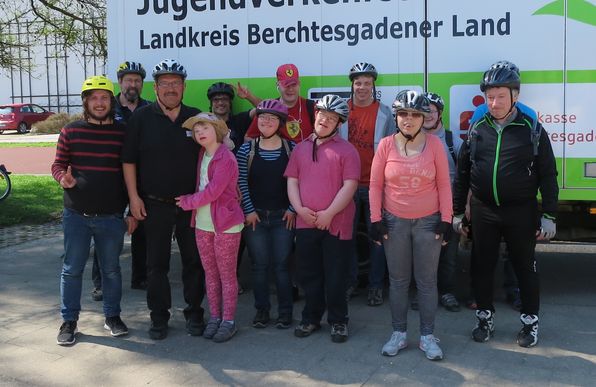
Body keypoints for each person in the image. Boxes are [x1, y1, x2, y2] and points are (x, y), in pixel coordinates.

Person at [452, 63, 559, 348]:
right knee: (481, 267)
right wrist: (458, 212)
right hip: (484, 210)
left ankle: (530, 324)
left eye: (500, 96)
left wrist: (549, 214)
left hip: (521, 211)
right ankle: (484, 319)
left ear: (515, 95)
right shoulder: (477, 128)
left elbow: (548, 174)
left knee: (525, 268)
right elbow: (463, 173)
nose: (494, 102)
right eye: (489, 96)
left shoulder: (531, 129)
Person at [122, 59, 206, 340]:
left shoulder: (197, 119)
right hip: (154, 203)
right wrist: (134, 198)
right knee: (156, 265)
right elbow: (129, 161)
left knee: (194, 262)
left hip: (190, 205)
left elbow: (214, 155)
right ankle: (159, 318)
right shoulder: (141, 118)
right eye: (165, 84)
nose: (171, 89)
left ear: (184, 87)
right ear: (155, 87)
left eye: (176, 84)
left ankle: (195, 313)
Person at [52, 75, 136, 345]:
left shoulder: (123, 134)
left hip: (111, 217)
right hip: (76, 215)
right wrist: (62, 178)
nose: (99, 103)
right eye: (93, 98)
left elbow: (131, 174)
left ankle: (112, 316)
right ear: (85, 102)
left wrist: (131, 211)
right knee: (71, 269)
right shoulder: (71, 131)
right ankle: (69, 321)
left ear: (111, 101)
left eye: (104, 98)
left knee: (111, 270)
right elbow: (57, 165)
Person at [369, 90, 452, 361]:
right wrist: (375, 220)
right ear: (396, 116)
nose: (409, 119)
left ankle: (428, 336)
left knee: (427, 282)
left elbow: (443, 184)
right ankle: (399, 334)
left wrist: (447, 219)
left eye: (416, 114)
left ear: (423, 118)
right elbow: (375, 185)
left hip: (429, 222)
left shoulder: (436, 145)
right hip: (394, 222)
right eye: (403, 113)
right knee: (398, 281)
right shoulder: (385, 145)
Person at [285, 94, 360, 343]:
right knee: (309, 274)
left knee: (336, 275)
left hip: (336, 224)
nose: (324, 120)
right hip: (306, 222)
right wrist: (299, 209)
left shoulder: (347, 150)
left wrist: (329, 213)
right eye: (321, 115)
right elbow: (292, 181)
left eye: (331, 118)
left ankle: (339, 321)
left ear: (339, 123)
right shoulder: (300, 148)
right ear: (314, 115)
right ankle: (311, 318)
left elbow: (349, 186)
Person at [175, 112, 244, 343]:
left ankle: (229, 320)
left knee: (226, 275)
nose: (200, 133)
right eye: (196, 130)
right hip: (203, 224)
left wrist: (187, 202)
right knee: (210, 274)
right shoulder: (203, 154)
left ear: (218, 130)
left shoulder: (226, 158)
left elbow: (213, 192)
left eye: (204, 128)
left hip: (226, 225)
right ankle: (215, 317)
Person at [91, 61, 151, 296]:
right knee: (106, 232)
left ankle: (140, 277)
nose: (133, 84)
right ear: (121, 82)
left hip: (142, 177)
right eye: (129, 80)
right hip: (112, 178)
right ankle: (100, 283)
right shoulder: (108, 108)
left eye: (137, 80)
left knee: (142, 229)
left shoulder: (150, 108)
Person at [339, 62, 395, 306]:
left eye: (367, 83)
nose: (362, 87)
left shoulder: (384, 112)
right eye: (358, 82)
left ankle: (375, 286)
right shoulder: (341, 110)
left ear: (374, 85)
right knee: (347, 237)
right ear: (352, 84)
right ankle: (350, 282)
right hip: (346, 185)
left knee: (378, 237)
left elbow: (393, 149)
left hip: (375, 185)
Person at [236, 99, 295, 329]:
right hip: (256, 218)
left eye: (272, 118)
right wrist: (248, 211)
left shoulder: (292, 149)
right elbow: (241, 182)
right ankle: (262, 311)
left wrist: (292, 209)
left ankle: (285, 312)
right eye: (262, 117)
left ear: (280, 122)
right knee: (259, 266)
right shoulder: (246, 149)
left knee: (282, 266)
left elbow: (296, 182)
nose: (266, 121)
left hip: (283, 217)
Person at [422, 92, 463, 312]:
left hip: (448, 206)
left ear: (440, 113)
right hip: (421, 207)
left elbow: (465, 172)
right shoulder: (413, 138)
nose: (428, 114)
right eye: (424, 110)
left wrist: (463, 205)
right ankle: (423, 293)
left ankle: (447, 292)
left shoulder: (451, 140)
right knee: (422, 254)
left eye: (432, 110)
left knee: (449, 254)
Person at [245, 64, 315, 143]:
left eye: (294, 84)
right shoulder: (269, 109)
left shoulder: (311, 107)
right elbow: (248, 138)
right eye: (286, 85)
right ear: (278, 85)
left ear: (299, 84)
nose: (291, 89)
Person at [207, 81, 260, 153]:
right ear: (211, 103)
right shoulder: (205, 124)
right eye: (216, 100)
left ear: (230, 103)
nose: (220, 103)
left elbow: (267, 108)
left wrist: (249, 97)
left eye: (224, 99)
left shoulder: (240, 120)